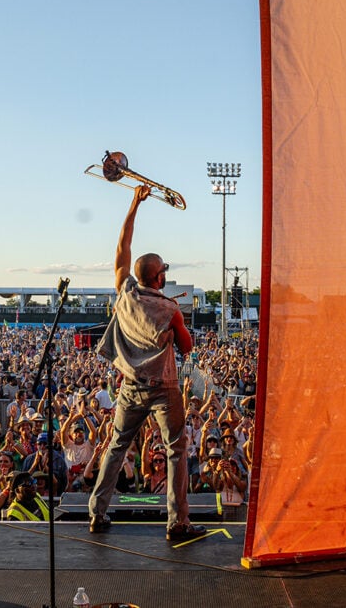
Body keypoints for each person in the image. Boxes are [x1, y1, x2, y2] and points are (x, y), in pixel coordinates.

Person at [87, 185, 205, 542]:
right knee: (175, 451)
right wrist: (175, 325)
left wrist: (134, 204)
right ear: (159, 277)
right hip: (163, 388)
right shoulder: (168, 309)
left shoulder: (125, 292)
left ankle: (97, 513)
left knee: (116, 446)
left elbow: (122, 247)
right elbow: (187, 347)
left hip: (129, 387)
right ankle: (177, 523)